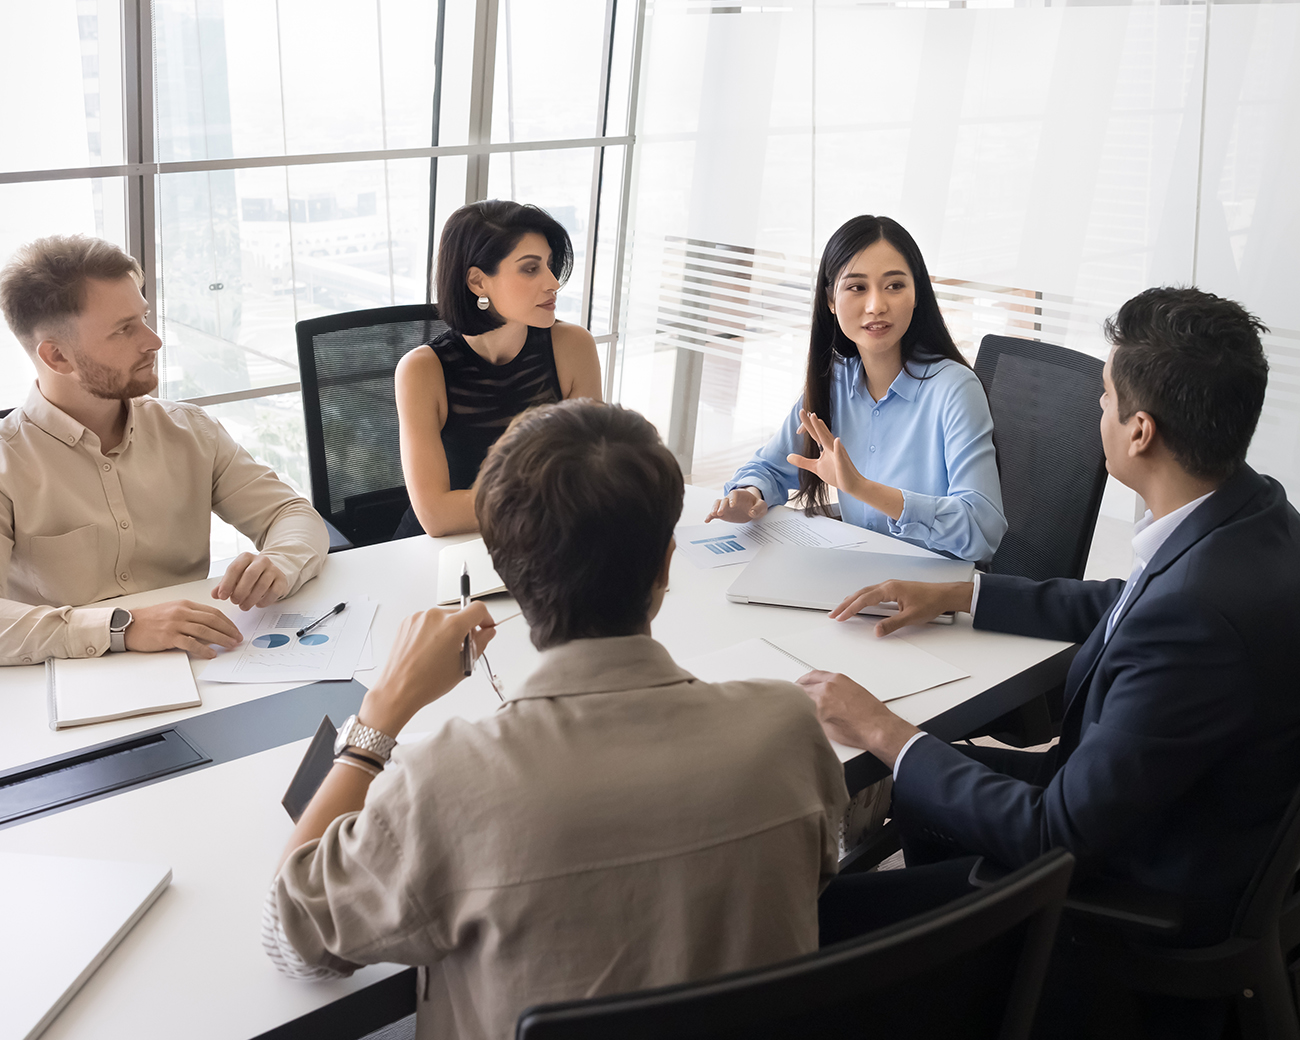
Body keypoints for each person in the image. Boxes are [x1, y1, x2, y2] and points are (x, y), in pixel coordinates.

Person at [263, 401, 849, 1040]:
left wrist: (379, 716)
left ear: (507, 571)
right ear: (665, 564)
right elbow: (815, 881)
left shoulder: (443, 782)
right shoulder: (788, 727)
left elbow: (293, 940)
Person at [802, 287, 1300, 1030]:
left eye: (1102, 397)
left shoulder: (1197, 621)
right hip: (1168, 818)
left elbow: (1050, 833)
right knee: (920, 789)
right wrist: (962, 595)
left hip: (1122, 912)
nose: (1094, 413)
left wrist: (883, 731)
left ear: (1139, 431)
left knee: (818, 921)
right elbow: (1125, 601)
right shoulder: (1253, 515)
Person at [0, 235, 328, 667]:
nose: (153, 341)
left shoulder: (190, 430)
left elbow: (292, 515)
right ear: (57, 356)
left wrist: (279, 563)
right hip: (67, 681)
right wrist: (123, 627)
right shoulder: (8, 465)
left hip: (205, 662)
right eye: (123, 329)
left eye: (145, 318)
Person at [707, 214, 1006, 564]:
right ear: (831, 300)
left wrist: (861, 488)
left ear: (916, 295)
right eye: (857, 287)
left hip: (932, 595)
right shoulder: (834, 382)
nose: (876, 305)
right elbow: (774, 466)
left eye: (894, 286)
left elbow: (981, 531)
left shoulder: (955, 390)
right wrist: (749, 493)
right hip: (858, 573)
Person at [392, 200, 603, 538]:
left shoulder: (573, 347)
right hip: (441, 555)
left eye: (549, 265)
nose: (553, 283)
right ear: (478, 282)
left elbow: (592, 476)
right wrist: (557, 496)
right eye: (531, 268)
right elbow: (436, 516)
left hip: (540, 542)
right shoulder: (421, 371)